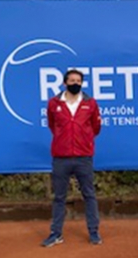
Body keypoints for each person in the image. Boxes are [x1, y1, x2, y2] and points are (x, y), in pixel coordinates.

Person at [41, 69, 103, 247]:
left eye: (79, 81)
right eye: (72, 80)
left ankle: (94, 233)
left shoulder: (90, 103)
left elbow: (95, 127)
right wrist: (64, 140)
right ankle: (55, 234)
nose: (75, 83)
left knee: (89, 195)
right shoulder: (54, 103)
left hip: (84, 157)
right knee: (59, 197)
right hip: (61, 158)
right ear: (64, 83)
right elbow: (53, 125)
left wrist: (83, 140)